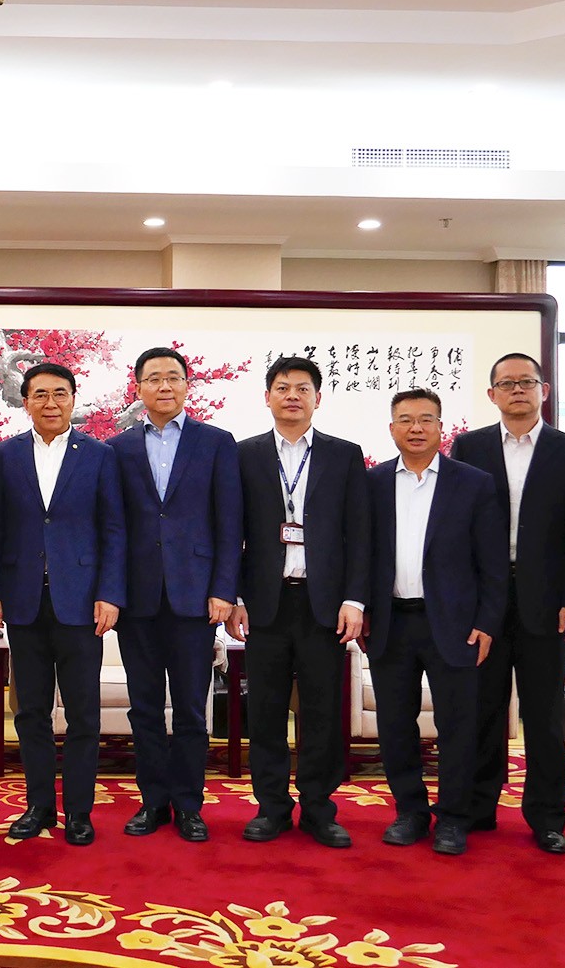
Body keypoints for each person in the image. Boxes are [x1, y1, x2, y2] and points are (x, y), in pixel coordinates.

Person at [451, 352, 565, 854]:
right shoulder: (468, 447)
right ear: (491, 394)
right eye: (506, 383)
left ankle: (547, 817)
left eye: (527, 382)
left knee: (544, 714)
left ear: (544, 390)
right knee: (483, 709)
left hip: (549, 601)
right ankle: (476, 807)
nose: (517, 390)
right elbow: (456, 529)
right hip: (483, 602)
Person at [0, 362, 126, 846]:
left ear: (73, 399)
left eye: (60, 394)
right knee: (31, 713)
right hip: (24, 602)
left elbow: (113, 530)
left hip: (82, 602)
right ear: (25, 401)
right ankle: (39, 806)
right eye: (39, 394)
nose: (50, 403)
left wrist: (110, 593)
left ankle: (80, 812)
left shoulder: (100, 456)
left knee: (84, 714)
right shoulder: (5, 456)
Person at [234, 356, 369, 849]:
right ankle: (270, 807)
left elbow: (359, 534)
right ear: (267, 396)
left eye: (303, 388)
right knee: (265, 711)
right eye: (283, 387)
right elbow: (233, 532)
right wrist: (235, 596)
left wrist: (355, 599)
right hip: (265, 605)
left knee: (322, 713)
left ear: (318, 397)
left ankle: (318, 807)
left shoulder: (343, 455)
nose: (292, 395)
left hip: (324, 605)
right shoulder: (243, 454)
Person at [108, 347, 241, 842]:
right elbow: (112, 526)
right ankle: (152, 802)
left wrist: (224, 589)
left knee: (190, 708)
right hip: (138, 602)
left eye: (173, 378)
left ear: (188, 385)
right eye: (154, 379)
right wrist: (112, 593)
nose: (165, 386)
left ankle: (188, 804)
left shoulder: (215, 443)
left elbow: (230, 525)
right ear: (138, 388)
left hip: (195, 599)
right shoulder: (116, 449)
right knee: (143, 707)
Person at [366, 388, 506, 856]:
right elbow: (360, 557)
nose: (416, 428)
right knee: (395, 725)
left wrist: (487, 621)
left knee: (458, 725)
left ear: (441, 427)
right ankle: (410, 811)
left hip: (455, 624)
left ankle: (453, 817)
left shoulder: (473, 483)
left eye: (426, 419)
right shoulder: (373, 482)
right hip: (391, 623)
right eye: (405, 420)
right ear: (392, 429)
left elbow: (492, 563)